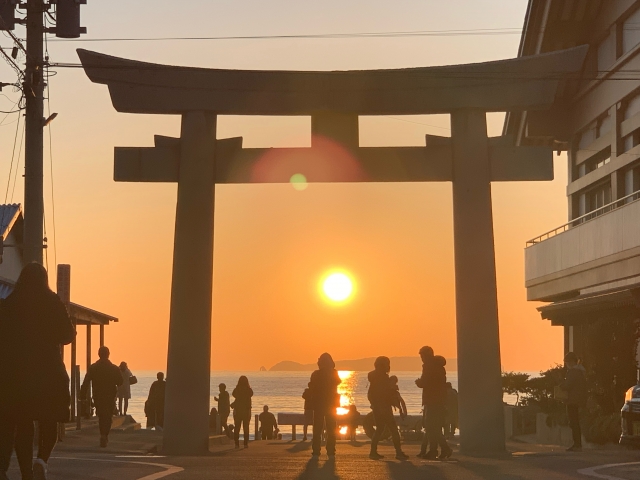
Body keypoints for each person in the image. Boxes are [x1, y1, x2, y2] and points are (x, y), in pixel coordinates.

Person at [0, 263, 75, 480]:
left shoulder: (9, 304)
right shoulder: (52, 302)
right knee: (48, 419)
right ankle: (41, 460)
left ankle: (25, 473)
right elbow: (68, 335)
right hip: (48, 372)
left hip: (16, 375)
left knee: (22, 422)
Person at [81, 346, 123, 448]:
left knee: (101, 416)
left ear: (99, 354)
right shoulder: (114, 368)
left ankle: (103, 435)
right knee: (108, 416)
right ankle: (104, 435)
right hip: (110, 395)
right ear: (108, 354)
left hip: (98, 395)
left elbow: (86, 381)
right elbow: (120, 382)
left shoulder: (94, 367)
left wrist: (82, 395)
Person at [368, 356, 408, 460]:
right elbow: (385, 393)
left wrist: (374, 404)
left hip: (377, 407)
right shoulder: (383, 378)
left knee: (379, 429)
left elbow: (371, 394)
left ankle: (373, 451)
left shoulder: (373, 377)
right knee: (393, 429)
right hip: (384, 407)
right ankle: (398, 452)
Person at [415, 347, 452, 460]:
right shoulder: (439, 366)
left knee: (431, 427)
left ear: (427, 355)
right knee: (434, 427)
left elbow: (425, 382)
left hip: (432, 400)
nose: (421, 358)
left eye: (422, 356)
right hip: (439, 400)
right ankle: (438, 450)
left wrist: (418, 382)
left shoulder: (429, 366)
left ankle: (438, 450)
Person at [308, 353, 341, 457]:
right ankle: (331, 450)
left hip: (318, 404)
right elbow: (337, 382)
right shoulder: (334, 373)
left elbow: (311, 386)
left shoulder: (316, 374)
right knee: (331, 428)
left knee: (317, 428)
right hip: (331, 403)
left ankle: (316, 450)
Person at [560, 352, 587, 452]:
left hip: (572, 400)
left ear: (571, 362)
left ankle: (577, 444)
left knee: (573, 422)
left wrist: (561, 386)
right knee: (576, 422)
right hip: (579, 399)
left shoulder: (573, 372)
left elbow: (567, 385)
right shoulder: (581, 371)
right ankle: (577, 444)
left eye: (567, 362)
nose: (566, 365)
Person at [231, 376, 253, 448]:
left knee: (237, 427)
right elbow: (251, 394)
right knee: (246, 427)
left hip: (238, 411)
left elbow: (234, 395)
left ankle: (236, 443)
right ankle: (245, 443)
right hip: (246, 411)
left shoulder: (237, 390)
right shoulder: (248, 390)